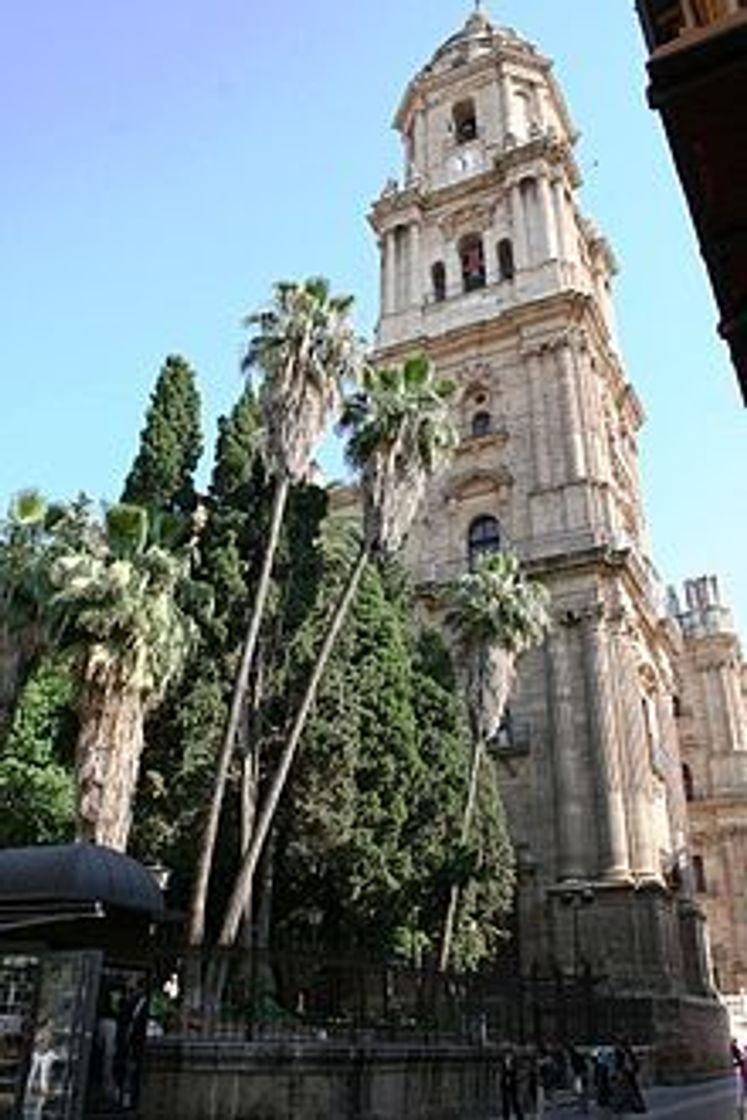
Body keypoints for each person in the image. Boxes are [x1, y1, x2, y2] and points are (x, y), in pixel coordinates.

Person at [499, 1045, 524, 1120]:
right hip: (505, 1084)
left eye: (509, 1053)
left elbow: (518, 1071)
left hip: (513, 1083)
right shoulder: (503, 1061)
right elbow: (502, 1071)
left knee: (515, 1102)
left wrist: (514, 1076)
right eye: (506, 1053)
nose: (508, 1055)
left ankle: (520, 1117)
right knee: (505, 1102)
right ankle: (506, 1117)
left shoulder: (515, 1061)